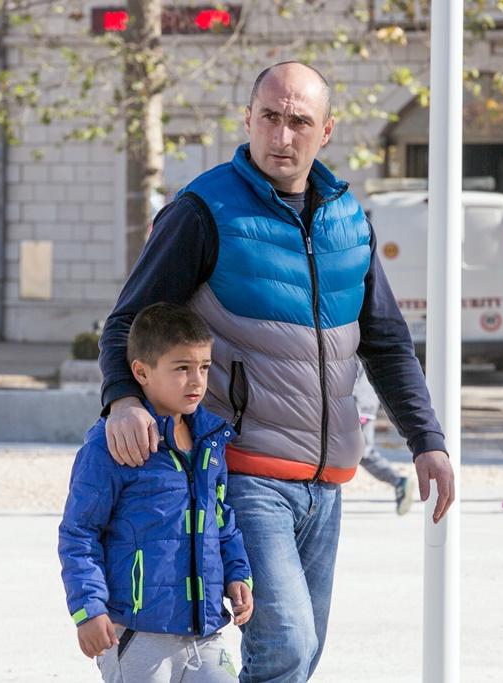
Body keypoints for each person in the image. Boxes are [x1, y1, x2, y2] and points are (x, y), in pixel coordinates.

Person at [97, 61, 454, 682]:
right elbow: (129, 320)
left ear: (326, 131)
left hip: (326, 481)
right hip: (241, 471)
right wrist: (123, 399)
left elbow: (388, 342)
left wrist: (427, 439)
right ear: (248, 119)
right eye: (269, 117)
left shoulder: (349, 220)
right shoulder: (204, 210)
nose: (281, 136)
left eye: (299, 122)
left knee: (302, 654)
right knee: (285, 643)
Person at [59, 303, 254, 682]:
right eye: (181, 368)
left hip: (205, 631)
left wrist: (237, 574)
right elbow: (79, 532)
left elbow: (221, 521)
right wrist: (88, 609)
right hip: (136, 635)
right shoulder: (111, 445)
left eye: (204, 367)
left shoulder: (211, 442)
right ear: (141, 372)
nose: (196, 381)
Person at [352, 363, 416, 515]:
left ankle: (398, 481)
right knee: (363, 453)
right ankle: (398, 481)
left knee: (363, 454)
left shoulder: (353, 351)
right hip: (365, 405)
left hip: (358, 406)